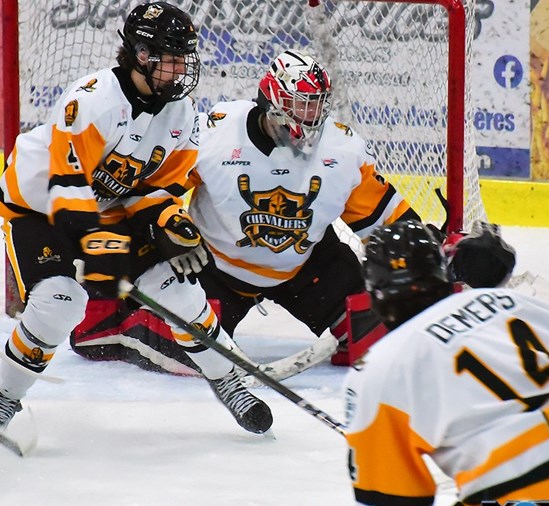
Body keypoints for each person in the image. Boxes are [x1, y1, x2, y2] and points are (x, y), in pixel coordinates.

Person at [71, 49, 516, 373]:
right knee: (186, 356)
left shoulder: (341, 149)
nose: (310, 116)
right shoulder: (213, 135)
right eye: (301, 105)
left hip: (310, 265)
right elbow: (155, 195)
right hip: (216, 267)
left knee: (387, 344)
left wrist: (439, 251)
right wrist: (163, 225)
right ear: (272, 100)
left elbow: (384, 219)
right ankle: (117, 321)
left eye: (316, 105)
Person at [0, 2, 273, 435]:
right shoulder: (93, 99)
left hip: (106, 210)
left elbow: (159, 190)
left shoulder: (180, 114)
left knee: (180, 291)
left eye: (185, 57)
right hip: (42, 208)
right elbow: (67, 184)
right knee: (59, 302)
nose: (182, 68)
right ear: (143, 55)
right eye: (173, 57)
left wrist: (169, 225)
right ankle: (4, 400)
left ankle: (230, 383)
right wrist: (97, 244)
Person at [344, 220, 549, 505]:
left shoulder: (379, 367)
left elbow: (391, 499)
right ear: (443, 274)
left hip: (533, 490)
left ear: (376, 296)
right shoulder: (507, 301)